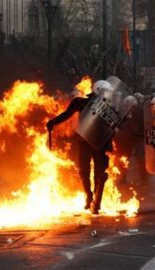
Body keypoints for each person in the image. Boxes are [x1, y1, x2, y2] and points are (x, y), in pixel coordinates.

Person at [46, 80, 113, 215]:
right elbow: (67, 114)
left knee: (100, 174)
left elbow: (117, 123)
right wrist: (53, 122)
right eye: (105, 91)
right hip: (86, 142)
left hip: (100, 143)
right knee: (84, 171)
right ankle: (89, 196)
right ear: (98, 90)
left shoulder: (109, 107)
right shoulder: (81, 102)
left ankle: (96, 201)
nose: (107, 94)